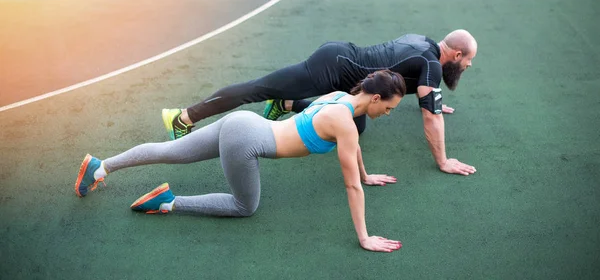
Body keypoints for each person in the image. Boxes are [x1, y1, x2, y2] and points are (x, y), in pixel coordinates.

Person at [75, 70, 406, 253]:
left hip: (242, 124)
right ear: (376, 98)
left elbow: (353, 152)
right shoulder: (345, 124)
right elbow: (349, 183)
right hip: (247, 142)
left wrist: (365, 174)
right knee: (245, 206)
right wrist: (364, 237)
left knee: (170, 151)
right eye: (388, 108)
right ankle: (166, 202)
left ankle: (100, 166)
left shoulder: (339, 99)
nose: (387, 114)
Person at [163, 30, 478, 176]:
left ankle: (286, 105)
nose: (468, 67)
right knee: (258, 88)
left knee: (358, 126)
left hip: (349, 73)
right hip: (333, 65)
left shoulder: (423, 41)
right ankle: (184, 117)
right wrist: (443, 160)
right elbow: (431, 116)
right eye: (468, 61)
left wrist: (432, 99)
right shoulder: (430, 65)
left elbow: (409, 81)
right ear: (457, 55)